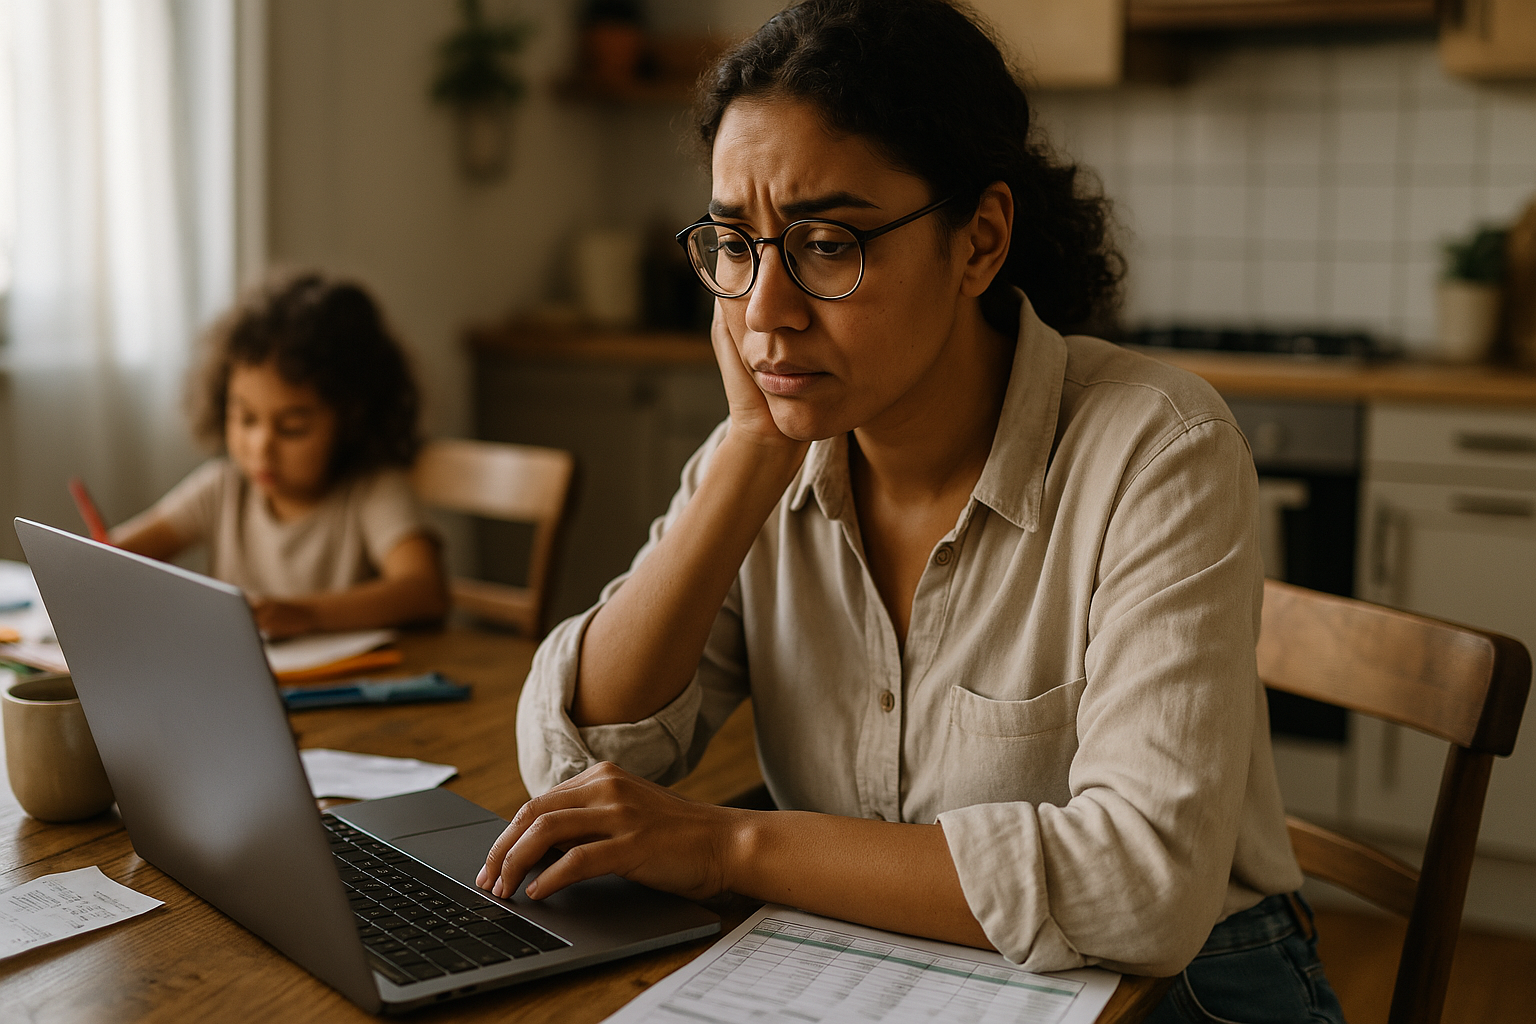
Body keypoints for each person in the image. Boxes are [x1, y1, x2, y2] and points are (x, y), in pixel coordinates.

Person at [482, 2, 1346, 1020]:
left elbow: (1143, 888)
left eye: (827, 243)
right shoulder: (771, 452)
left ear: (978, 242)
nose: (765, 312)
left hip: (1184, 991)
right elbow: (580, 766)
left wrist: (730, 843)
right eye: (733, 244)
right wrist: (755, 454)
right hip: (877, 965)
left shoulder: (1158, 449)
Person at [112, 272, 448, 641]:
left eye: (292, 428)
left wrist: (305, 614)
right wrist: (100, 557)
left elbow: (424, 590)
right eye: (245, 419)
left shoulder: (372, 492)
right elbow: (115, 554)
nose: (261, 447)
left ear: (353, 419)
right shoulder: (222, 488)